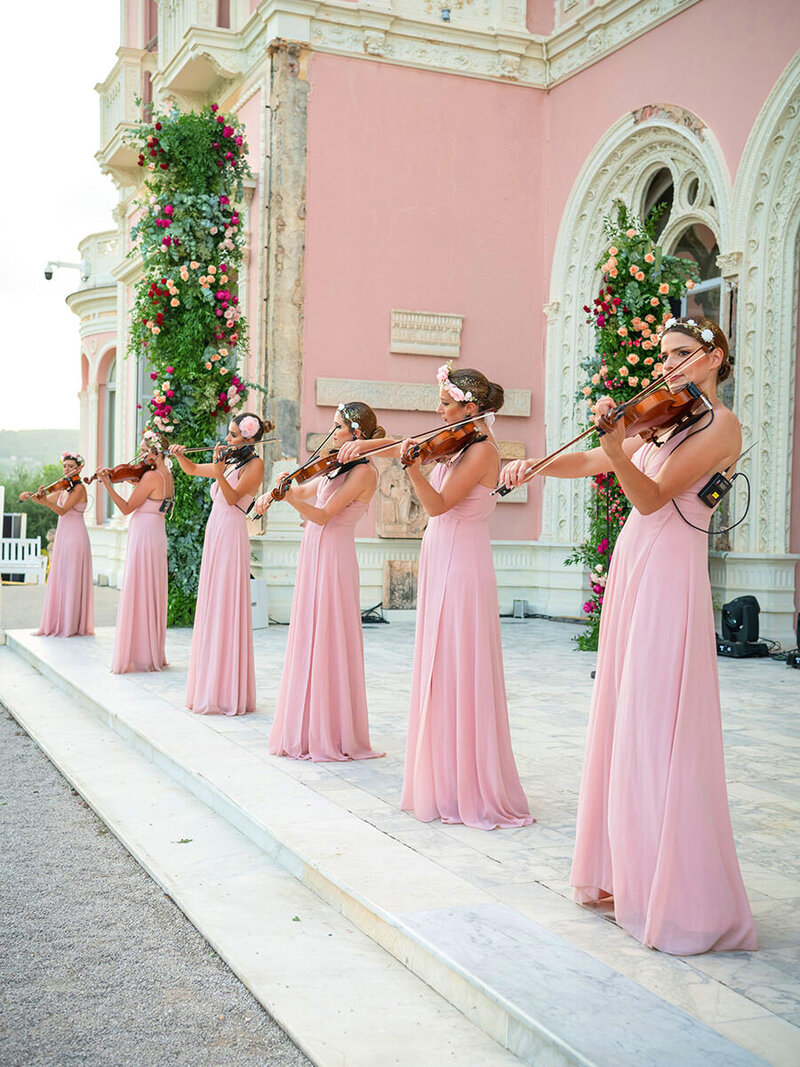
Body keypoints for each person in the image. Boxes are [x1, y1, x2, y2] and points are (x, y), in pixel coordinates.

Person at [501, 315, 757, 954]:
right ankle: (626, 872)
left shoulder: (721, 425)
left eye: (680, 354)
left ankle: (672, 888)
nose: (666, 365)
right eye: (662, 353)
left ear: (714, 357)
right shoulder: (669, 418)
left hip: (670, 571)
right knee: (624, 715)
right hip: (636, 563)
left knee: (653, 718)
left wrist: (618, 448)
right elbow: (593, 457)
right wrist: (537, 465)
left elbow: (651, 497)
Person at [340, 365, 533, 829]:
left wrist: (411, 471)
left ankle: (467, 782)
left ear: (469, 407)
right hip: (443, 553)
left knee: (459, 662)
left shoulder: (483, 449)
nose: (438, 412)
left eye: (445, 404)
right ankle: (443, 775)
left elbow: (438, 505)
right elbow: (407, 440)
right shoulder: (457, 439)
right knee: (439, 665)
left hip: (463, 563)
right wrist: (367, 445)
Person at [256, 402, 384, 761]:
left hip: (334, 555)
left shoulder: (364, 473)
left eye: (338, 427)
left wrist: (290, 501)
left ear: (357, 434)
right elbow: (303, 492)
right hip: (315, 551)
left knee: (329, 635)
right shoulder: (335, 466)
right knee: (310, 632)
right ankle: (306, 726)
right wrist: (277, 492)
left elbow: (324, 515)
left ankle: (332, 732)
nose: (332, 434)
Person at [170, 413, 268, 716]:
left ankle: (227, 690)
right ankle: (208, 684)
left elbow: (231, 498)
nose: (227, 440)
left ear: (249, 439)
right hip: (215, 530)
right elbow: (193, 470)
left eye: (234, 436)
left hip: (231, 532)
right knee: (212, 603)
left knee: (227, 604)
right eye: (228, 434)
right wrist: (180, 457)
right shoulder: (230, 459)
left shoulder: (255, 465)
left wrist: (221, 472)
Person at [97, 432, 173, 673]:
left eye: (143, 451)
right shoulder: (165, 474)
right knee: (149, 588)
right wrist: (129, 480)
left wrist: (108, 485)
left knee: (140, 587)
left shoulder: (151, 476)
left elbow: (127, 507)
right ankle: (150, 650)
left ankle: (138, 653)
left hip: (144, 536)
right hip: (155, 533)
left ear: (154, 453)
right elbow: (150, 495)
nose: (139, 456)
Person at [20, 451, 94, 637]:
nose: (67, 470)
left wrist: (45, 501)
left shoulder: (79, 488)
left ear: (79, 468)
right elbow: (45, 501)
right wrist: (31, 496)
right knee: (61, 576)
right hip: (64, 535)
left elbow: (62, 510)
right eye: (65, 466)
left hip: (76, 537)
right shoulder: (64, 488)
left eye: (71, 467)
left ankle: (70, 625)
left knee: (72, 577)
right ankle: (56, 622)